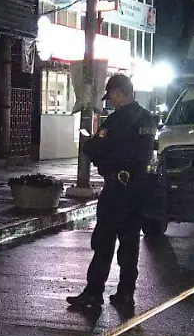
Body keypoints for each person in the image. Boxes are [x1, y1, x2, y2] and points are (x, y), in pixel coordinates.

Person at [68, 74, 158, 315]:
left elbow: (96, 147)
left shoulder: (117, 120)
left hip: (117, 188)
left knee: (104, 241)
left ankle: (93, 292)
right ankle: (126, 293)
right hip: (138, 187)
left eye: (111, 96)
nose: (111, 101)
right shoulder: (148, 118)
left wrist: (90, 144)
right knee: (130, 243)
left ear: (119, 93)